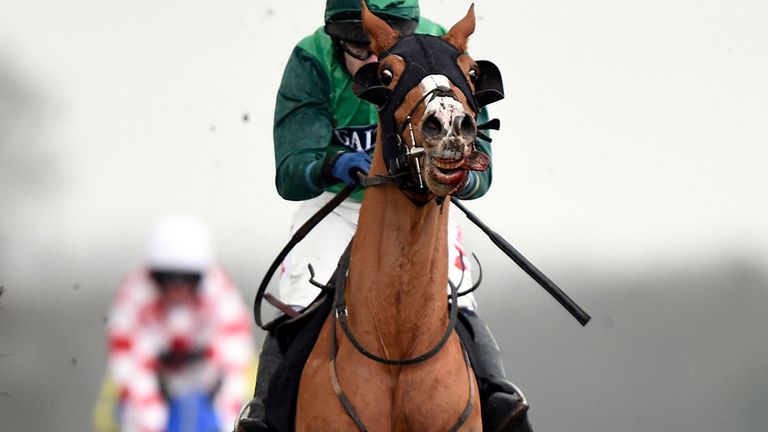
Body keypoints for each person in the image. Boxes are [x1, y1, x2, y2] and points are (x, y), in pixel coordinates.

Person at [239, 1, 532, 431]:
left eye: (384, 43)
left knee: (460, 298)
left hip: (424, 207)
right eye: (358, 46)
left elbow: (481, 165)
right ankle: (264, 413)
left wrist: (458, 177)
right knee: (298, 300)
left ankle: (498, 397)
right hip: (340, 205)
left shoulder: (444, 47)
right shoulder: (312, 58)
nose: (374, 57)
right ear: (336, 36)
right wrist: (332, 164)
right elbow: (291, 172)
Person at [101, 215, 255, 432]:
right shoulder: (132, 297)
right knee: (114, 413)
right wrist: (151, 421)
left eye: (188, 279)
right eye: (167, 277)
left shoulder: (222, 295)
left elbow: (236, 362)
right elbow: (128, 365)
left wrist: (225, 420)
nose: (177, 288)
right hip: (152, 377)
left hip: (207, 379)